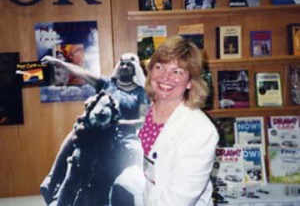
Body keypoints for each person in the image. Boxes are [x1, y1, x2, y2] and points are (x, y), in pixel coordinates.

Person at [40, 53, 149, 206]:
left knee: (133, 157)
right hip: (98, 134)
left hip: (124, 139)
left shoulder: (141, 93)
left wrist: (120, 123)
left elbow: (144, 120)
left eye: (129, 65)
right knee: (75, 134)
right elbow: (80, 72)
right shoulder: (106, 84)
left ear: (135, 69)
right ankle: (52, 180)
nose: (124, 67)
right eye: (122, 63)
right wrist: (57, 62)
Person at [138, 35, 219, 206]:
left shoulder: (201, 131)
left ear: (190, 82)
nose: (165, 77)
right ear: (150, 71)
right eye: (159, 67)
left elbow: (177, 202)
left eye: (177, 72)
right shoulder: (141, 112)